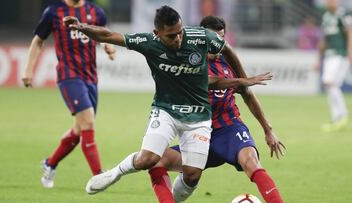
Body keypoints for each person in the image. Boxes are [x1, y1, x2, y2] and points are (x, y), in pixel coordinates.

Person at [63, 5, 272, 200]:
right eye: (171, 36)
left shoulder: (200, 38)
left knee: (191, 176)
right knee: (148, 159)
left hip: (198, 116)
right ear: (157, 34)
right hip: (166, 111)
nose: (178, 38)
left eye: (180, 32)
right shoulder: (148, 42)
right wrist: (81, 27)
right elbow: (108, 35)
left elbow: (227, 50)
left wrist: (242, 78)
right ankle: (115, 173)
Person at [147, 16, 285, 203]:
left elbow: (247, 93)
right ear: (202, 37)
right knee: (157, 161)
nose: (216, 45)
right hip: (196, 133)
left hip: (229, 129)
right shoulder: (186, 62)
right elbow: (209, 82)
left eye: (221, 39)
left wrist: (268, 130)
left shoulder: (228, 62)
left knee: (252, 162)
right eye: (213, 39)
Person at [21, 0, 116, 188]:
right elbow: (38, 40)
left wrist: (108, 46)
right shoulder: (54, 12)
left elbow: (103, 33)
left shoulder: (96, 12)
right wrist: (28, 70)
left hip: (90, 77)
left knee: (80, 130)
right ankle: (99, 176)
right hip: (68, 76)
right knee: (88, 121)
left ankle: (50, 163)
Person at [316, 0, 352, 132]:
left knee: (329, 82)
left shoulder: (342, 16)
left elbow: (349, 33)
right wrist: (318, 59)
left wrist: (350, 52)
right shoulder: (326, 17)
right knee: (332, 85)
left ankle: (341, 115)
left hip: (340, 55)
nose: (331, 3)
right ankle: (338, 117)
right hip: (329, 55)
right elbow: (324, 39)